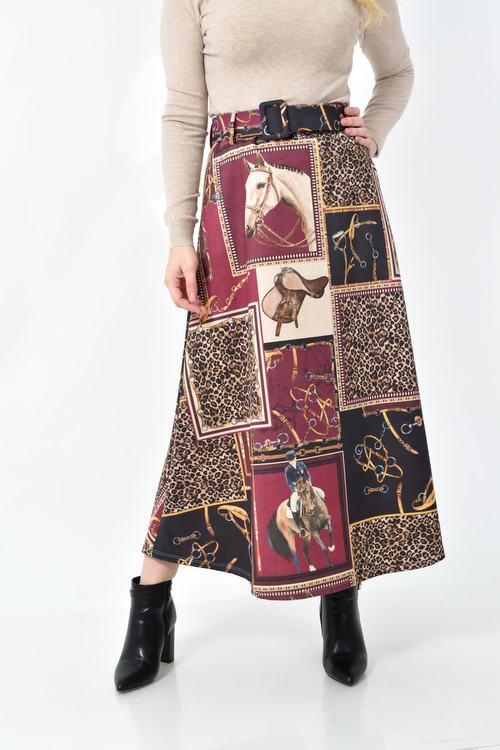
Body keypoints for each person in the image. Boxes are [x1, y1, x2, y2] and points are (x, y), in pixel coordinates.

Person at [114, 0, 446, 693]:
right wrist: (178, 234)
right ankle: (152, 600)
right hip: (240, 199)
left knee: (340, 400)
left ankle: (340, 598)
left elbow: (398, 73)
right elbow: (185, 112)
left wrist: (374, 131)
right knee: (219, 407)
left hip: (339, 197)